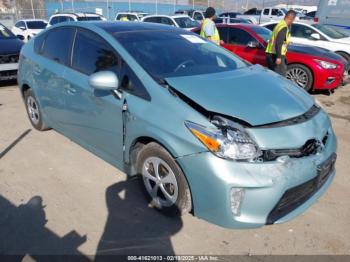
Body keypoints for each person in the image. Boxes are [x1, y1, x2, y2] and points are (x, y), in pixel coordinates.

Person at [265, 10, 297, 76]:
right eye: (293, 20)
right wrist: (279, 57)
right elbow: (279, 43)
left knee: (273, 75)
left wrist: (287, 42)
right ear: (291, 19)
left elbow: (278, 39)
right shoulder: (283, 27)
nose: (293, 22)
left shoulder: (279, 25)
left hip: (271, 53)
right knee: (280, 76)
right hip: (276, 54)